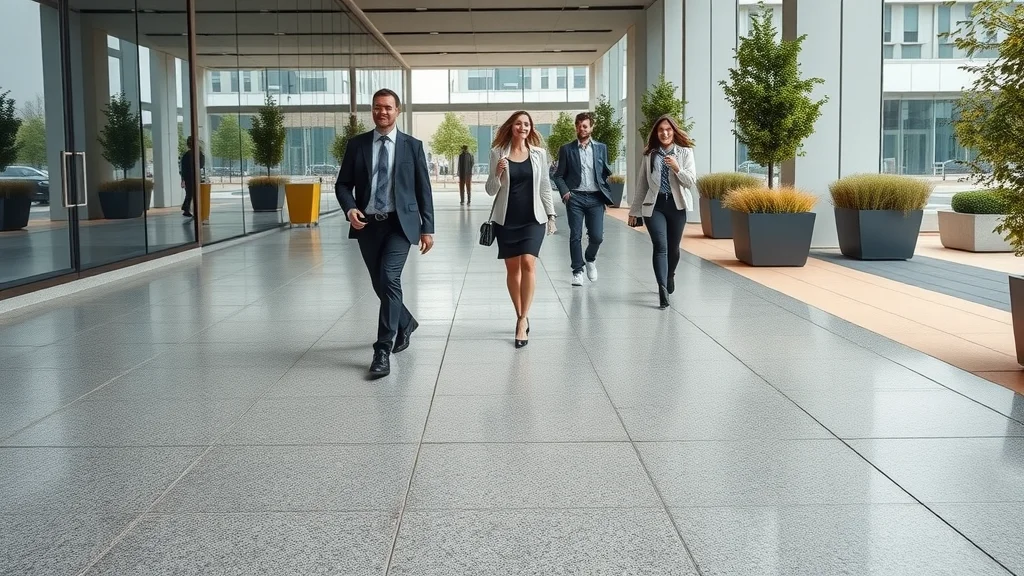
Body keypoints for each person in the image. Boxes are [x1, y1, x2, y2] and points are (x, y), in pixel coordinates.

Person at [336, 88, 435, 377]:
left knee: (390, 278)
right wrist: (350, 208)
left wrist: (427, 228)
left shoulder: (412, 146)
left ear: (397, 111)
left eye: (388, 108)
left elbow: (423, 189)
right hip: (368, 224)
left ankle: (382, 350)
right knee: (380, 283)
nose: (383, 112)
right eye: (378, 107)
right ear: (373, 110)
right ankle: (405, 322)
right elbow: (343, 184)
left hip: (400, 225)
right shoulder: (357, 145)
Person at [485, 111, 557, 348]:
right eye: (518, 123)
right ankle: (520, 314)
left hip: (533, 219)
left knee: (528, 263)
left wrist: (551, 215)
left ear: (531, 128)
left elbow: (545, 186)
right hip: (506, 220)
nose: (523, 127)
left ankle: (522, 319)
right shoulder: (498, 153)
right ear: (511, 127)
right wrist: (498, 173)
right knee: (512, 270)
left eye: (527, 124)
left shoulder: (539, 154)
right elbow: (490, 189)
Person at [628, 114, 696, 309]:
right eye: (660, 130)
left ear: (673, 131)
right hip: (654, 205)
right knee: (660, 246)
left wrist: (677, 168)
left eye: (668, 129)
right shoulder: (650, 154)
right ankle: (662, 289)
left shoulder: (685, 152)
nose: (664, 133)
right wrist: (634, 211)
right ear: (656, 133)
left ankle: (670, 274)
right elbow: (642, 184)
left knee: (673, 249)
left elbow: (690, 181)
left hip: (676, 206)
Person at [552, 111, 613, 286]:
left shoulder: (601, 148)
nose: (581, 129)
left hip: (595, 198)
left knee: (597, 237)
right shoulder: (567, 149)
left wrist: (604, 188)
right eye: (579, 126)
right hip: (575, 198)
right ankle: (577, 270)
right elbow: (558, 175)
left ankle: (590, 259)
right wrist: (565, 192)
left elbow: (604, 170)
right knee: (575, 235)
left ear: (591, 127)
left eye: (585, 126)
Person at [179, 136, 205, 218]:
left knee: (189, 193)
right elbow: (201, 165)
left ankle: (186, 208)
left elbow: (183, 168)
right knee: (194, 194)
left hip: (188, 177)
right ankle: (190, 209)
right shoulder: (198, 153)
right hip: (194, 176)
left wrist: (183, 178)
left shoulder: (186, 155)